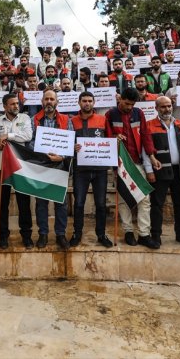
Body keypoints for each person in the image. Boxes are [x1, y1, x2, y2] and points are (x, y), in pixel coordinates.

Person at [107, 88, 158, 248]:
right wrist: (114, 138)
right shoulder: (110, 114)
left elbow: (145, 135)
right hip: (120, 164)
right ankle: (128, 231)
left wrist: (152, 156)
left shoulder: (138, 113)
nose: (129, 107)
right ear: (120, 99)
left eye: (132, 104)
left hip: (137, 162)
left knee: (144, 199)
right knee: (123, 200)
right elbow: (106, 136)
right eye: (127, 103)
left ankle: (144, 234)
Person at [143, 96, 180, 247]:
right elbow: (146, 150)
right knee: (157, 204)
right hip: (160, 171)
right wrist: (149, 170)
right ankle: (156, 235)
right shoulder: (149, 125)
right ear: (156, 108)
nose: (167, 109)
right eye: (163, 106)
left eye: (169, 106)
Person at [70, 91, 113, 248]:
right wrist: (72, 147)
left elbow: (109, 140)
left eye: (89, 101)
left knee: (101, 204)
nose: (87, 103)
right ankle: (77, 233)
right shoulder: (72, 121)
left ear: (94, 103)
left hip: (100, 170)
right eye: (84, 101)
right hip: (80, 170)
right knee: (79, 203)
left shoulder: (102, 119)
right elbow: (68, 142)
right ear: (79, 102)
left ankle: (101, 234)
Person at [31, 90, 72, 249]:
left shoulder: (66, 119)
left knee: (60, 203)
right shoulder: (34, 119)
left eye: (52, 99)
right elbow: (30, 141)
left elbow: (70, 140)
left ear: (57, 102)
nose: (49, 102)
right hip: (41, 166)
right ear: (42, 101)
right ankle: (43, 234)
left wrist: (61, 156)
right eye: (46, 99)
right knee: (41, 203)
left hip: (59, 165)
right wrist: (42, 152)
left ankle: (60, 234)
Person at [0, 93, 34, 249]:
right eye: (12, 104)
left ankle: (26, 235)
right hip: (1, 166)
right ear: (5, 106)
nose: (16, 106)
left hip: (20, 166)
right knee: (1, 203)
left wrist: (7, 135)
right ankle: (3, 235)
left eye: (17, 103)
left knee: (23, 202)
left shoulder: (25, 119)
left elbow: (27, 136)